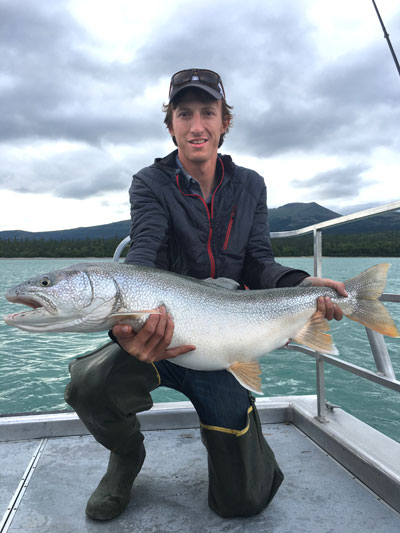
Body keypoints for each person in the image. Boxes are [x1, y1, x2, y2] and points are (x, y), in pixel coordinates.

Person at [65, 68, 346, 521]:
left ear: (224, 123)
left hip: (225, 346)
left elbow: (258, 261)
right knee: (88, 385)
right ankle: (125, 458)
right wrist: (127, 333)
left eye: (207, 113)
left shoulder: (251, 184)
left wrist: (299, 286)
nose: (197, 125)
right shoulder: (150, 182)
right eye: (184, 113)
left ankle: (240, 450)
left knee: (243, 503)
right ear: (170, 124)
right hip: (158, 339)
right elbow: (144, 256)